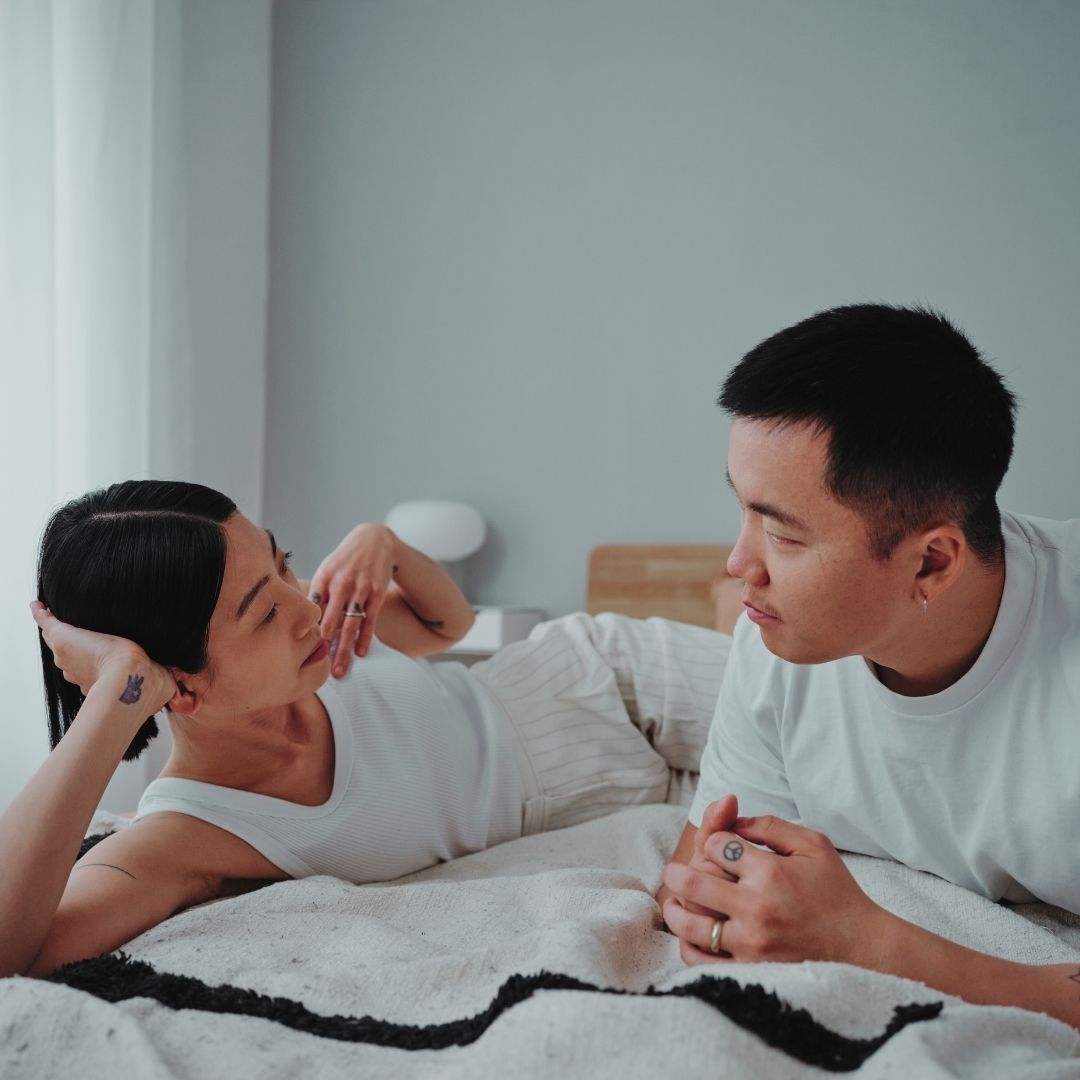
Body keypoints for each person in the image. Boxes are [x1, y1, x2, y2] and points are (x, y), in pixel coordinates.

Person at [1, 479, 731, 979]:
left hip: (602, 684)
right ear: (175, 684)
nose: (299, 605)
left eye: (282, 563)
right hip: (621, 801)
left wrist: (387, 544)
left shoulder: (325, 638)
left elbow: (452, 622)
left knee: (825, 711)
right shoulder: (188, 832)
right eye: (260, 610)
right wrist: (112, 699)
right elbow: (14, 948)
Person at [657, 303, 1080, 1028]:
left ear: (931, 561)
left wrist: (871, 942)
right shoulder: (777, 641)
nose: (738, 566)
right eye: (744, 512)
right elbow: (707, 880)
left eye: (783, 536)